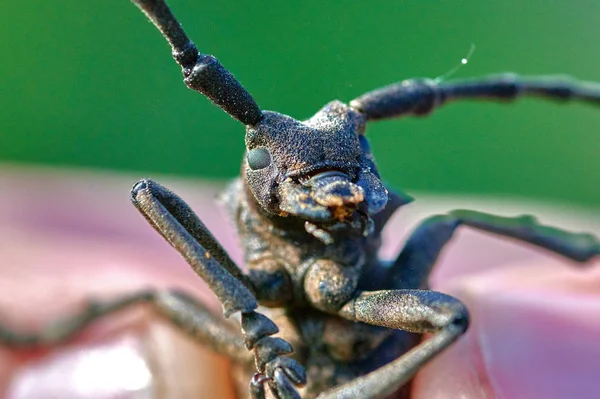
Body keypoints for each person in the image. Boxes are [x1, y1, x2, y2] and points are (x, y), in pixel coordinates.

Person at [1, 167, 598, 399]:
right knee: (157, 299)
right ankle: (41, 334)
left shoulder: (383, 277)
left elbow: (448, 317)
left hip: (374, 348)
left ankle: (581, 251)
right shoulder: (261, 264)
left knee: (449, 288)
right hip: (254, 362)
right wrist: (251, 322)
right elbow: (151, 202)